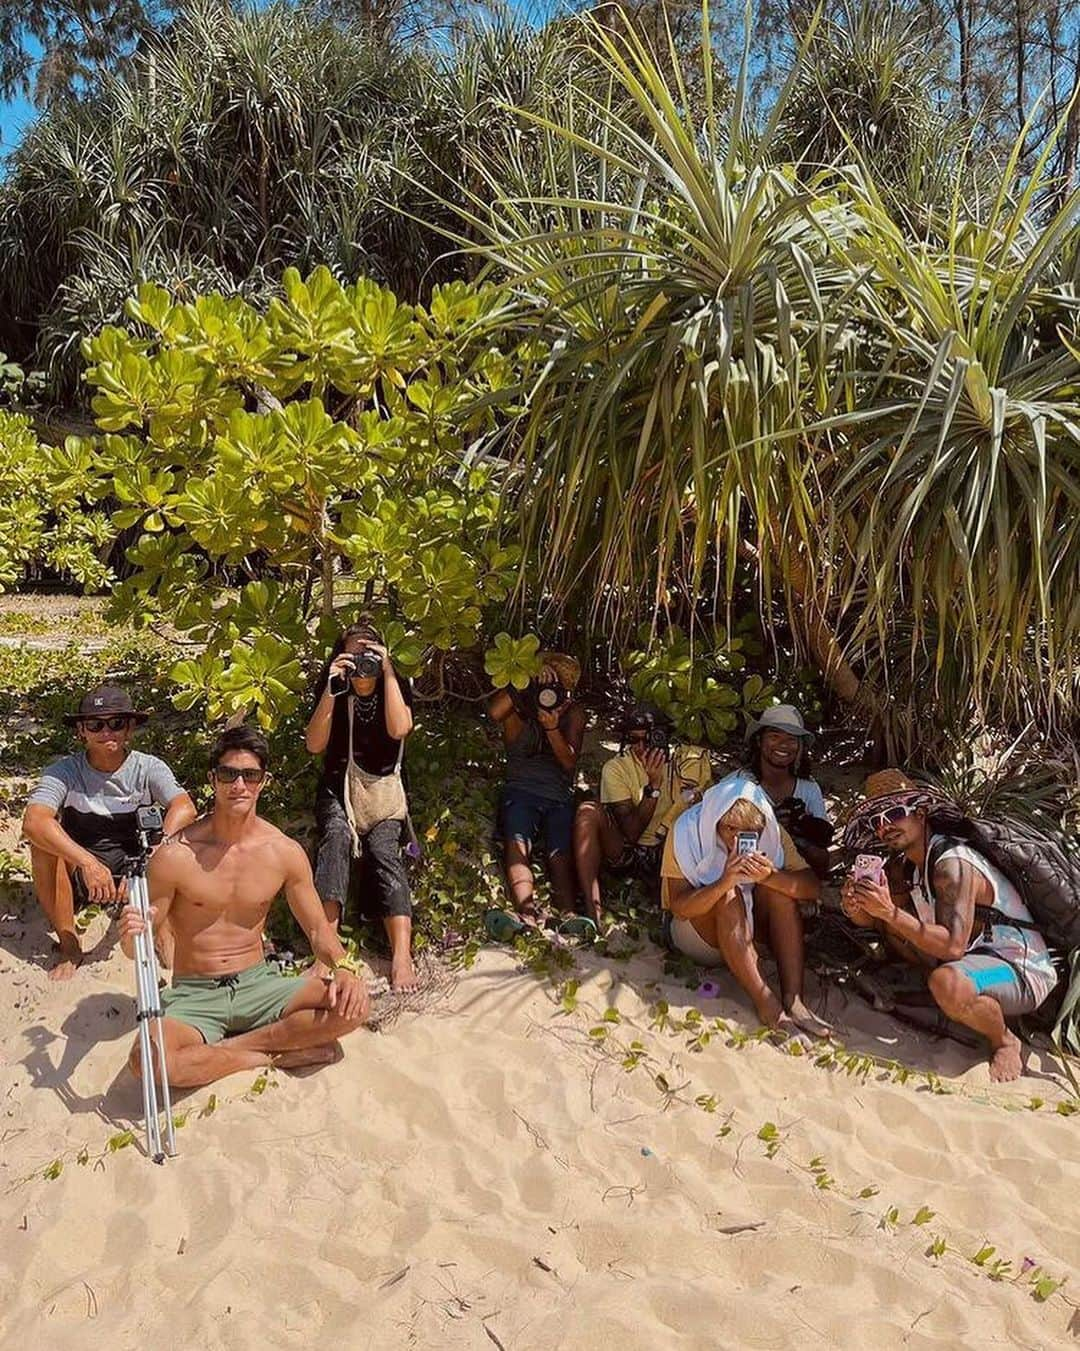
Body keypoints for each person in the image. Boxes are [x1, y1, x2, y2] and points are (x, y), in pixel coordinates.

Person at [119, 726, 368, 1088]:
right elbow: (137, 947)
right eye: (228, 774)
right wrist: (130, 935)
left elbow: (318, 930)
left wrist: (344, 966)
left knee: (355, 1007)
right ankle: (268, 1054)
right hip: (195, 993)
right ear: (212, 779)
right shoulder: (176, 855)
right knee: (147, 1063)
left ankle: (232, 1049)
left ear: (263, 782)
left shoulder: (282, 852)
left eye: (250, 775)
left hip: (258, 983)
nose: (239, 785)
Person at [841, 771, 1058, 1083]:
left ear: (920, 813)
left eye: (895, 814)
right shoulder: (912, 867)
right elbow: (879, 924)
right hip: (974, 961)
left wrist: (889, 912)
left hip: (1015, 970)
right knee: (901, 930)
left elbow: (953, 946)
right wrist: (858, 908)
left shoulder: (951, 865)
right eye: (877, 820)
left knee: (949, 983)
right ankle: (946, 997)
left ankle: (1005, 1040)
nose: (885, 826)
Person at [22, 684, 197, 981]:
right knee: (42, 846)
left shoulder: (147, 767)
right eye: (95, 724)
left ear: (129, 728)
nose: (107, 732)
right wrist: (88, 864)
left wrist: (148, 860)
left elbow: (185, 808)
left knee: (178, 845)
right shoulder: (63, 771)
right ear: (82, 731)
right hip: (81, 871)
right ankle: (69, 946)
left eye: (116, 723)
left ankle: (164, 933)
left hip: (135, 867)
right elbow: (34, 821)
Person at [661, 775, 831, 1041]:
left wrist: (770, 877)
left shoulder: (771, 830)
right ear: (715, 821)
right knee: (729, 895)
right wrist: (723, 882)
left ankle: (794, 999)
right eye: (730, 830)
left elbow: (812, 888)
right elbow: (679, 907)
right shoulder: (686, 831)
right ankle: (768, 1006)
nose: (738, 839)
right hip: (698, 936)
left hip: (749, 935)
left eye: (749, 833)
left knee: (781, 893)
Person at [304, 616, 418, 993]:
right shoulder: (334, 687)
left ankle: (402, 954)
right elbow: (314, 745)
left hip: (382, 793)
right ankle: (326, 949)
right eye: (352, 652)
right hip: (339, 788)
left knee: (385, 850)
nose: (360, 660)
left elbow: (400, 728)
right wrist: (332, 689)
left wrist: (386, 673)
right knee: (335, 837)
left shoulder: (394, 687)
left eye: (368, 651)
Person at [573, 706, 712, 925]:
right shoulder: (617, 767)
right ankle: (593, 912)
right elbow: (631, 832)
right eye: (633, 740)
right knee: (588, 812)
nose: (640, 747)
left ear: (663, 737)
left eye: (648, 739)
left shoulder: (685, 763)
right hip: (630, 850)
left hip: (671, 852)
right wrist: (653, 786)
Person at [488, 655, 585, 928]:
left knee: (560, 854)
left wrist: (552, 728)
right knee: (517, 845)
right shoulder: (517, 713)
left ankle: (567, 914)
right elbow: (495, 712)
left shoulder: (573, 713)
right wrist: (525, 684)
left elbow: (569, 761)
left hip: (558, 795)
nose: (549, 687)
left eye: (557, 683)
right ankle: (525, 911)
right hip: (520, 790)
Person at [741, 704, 833, 877]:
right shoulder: (740, 784)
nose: (783, 744)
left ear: (799, 747)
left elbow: (823, 848)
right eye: (774, 736)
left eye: (791, 739)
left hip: (794, 872)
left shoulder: (808, 787)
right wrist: (770, 826)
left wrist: (796, 830)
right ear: (760, 741)